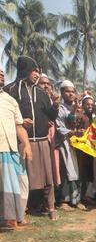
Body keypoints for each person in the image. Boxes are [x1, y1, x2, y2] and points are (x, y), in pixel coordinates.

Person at [5, 56, 59, 220]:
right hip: (22, 142)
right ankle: (22, 209)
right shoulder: (10, 91)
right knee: (21, 178)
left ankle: (51, 207)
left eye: (38, 71)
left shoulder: (42, 93)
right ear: (25, 70)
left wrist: (55, 104)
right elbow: (7, 115)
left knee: (48, 178)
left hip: (42, 141)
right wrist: (20, 122)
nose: (37, 74)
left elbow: (51, 116)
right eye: (34, 70)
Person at [0, 68, 32, 230]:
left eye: (2, 73)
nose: (1, 74)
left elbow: (19, 126)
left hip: (12, 150)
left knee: (21, 183)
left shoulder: (10, 100)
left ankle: (18, 216)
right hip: (1, 149)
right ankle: (9, 219)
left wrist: (26, 145)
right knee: (5, 186)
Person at [56, 80, 86, 211]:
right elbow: (59, 127)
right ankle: (63, 201)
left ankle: (76, 200)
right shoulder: (59, 108)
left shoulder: (78, 108)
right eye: (68, 91)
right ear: (62, 93)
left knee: (76, 170)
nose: (71, 94)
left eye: (73, 91)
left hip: (77, 145)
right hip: (64, 144)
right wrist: (73, 132)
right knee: (66, 170)